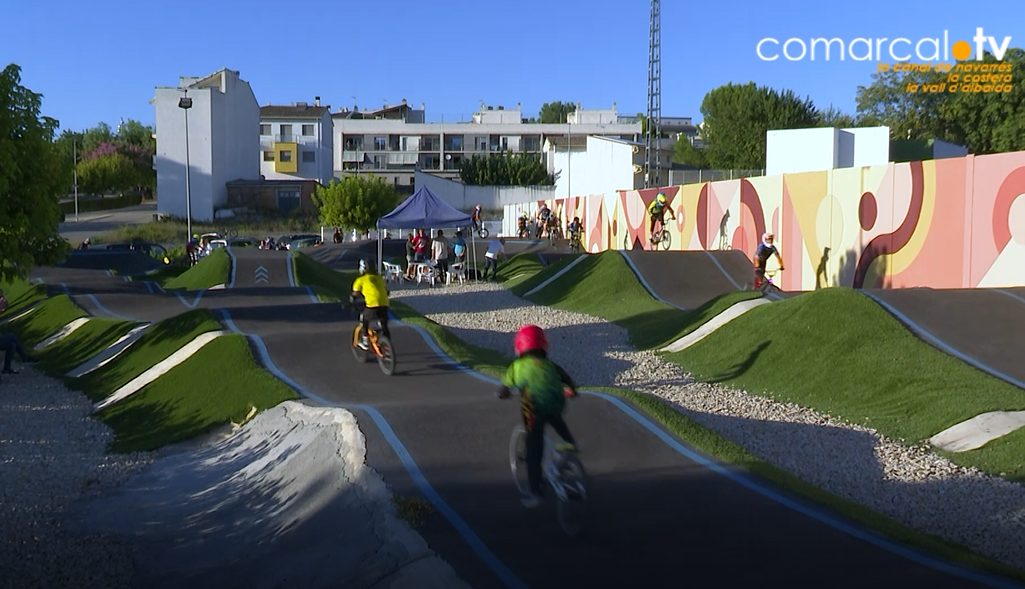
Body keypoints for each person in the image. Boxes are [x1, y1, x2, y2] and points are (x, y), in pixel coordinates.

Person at [497, 324, 579, 508]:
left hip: (533, 408)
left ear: (520, 346)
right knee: (556, 419)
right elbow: (566, 378)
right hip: (556, 402)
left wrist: (503, 393)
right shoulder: (550, 365)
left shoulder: (517, 367)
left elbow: (504, 389)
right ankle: (571, 445)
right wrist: (572, 391)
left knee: (533, 450)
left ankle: (536, 492)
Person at [350, 259, 391, 350]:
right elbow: (386, 291)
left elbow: (355, 294)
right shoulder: (379, 278)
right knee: (384, 324)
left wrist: (351, 300)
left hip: (371, 304)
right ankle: (387, 344)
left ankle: (365, 341)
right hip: (384, 303)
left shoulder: (360, 280)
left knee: (365, 320)